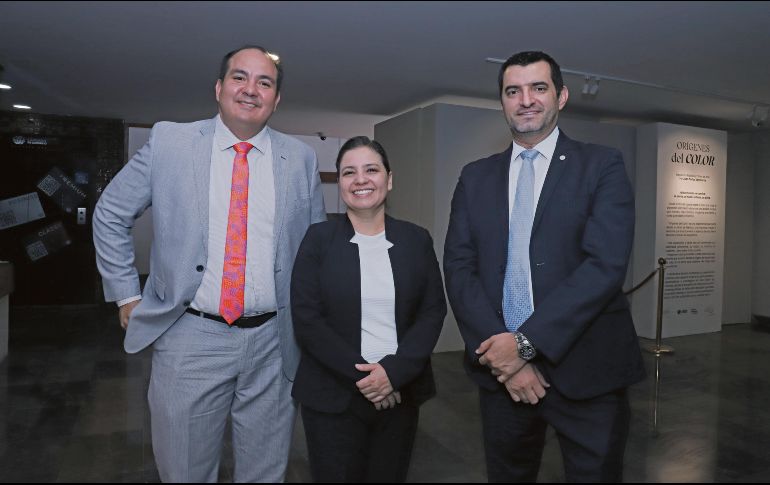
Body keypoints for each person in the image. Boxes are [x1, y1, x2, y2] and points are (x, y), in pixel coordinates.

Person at [92, 45, 325, 482]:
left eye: (265, 82)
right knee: (184, 470)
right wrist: (125, 292)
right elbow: (110, 213)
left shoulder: (300, 159)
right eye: (240, 77)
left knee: (266, 472)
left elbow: (314, 247)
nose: (251, 90)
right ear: (219, 88)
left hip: (275, 342)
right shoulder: (170, 142)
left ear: (277, 100)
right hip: (189, 337)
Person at [443, 51, 645, 482]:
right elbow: (460, 268)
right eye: (512, 91)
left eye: (538, 87)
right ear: (502, 101)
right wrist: (506, 357)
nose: (526, 100)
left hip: (589, 371)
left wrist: (525, 345)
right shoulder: (475, 177)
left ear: (562, 96)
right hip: (502, 377)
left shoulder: (602, 165)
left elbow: (604, 265)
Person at [290, 136, 446, 482]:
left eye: (371, 170)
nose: (360, 179)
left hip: (400, 391)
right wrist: (369, 378)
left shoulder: (416, 240)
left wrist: (393, 373)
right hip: (333, 395)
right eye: (349, 172)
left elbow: (432, 311)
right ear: (340, 184)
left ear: (388, 180)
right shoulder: (318, 240)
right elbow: (307, 318)